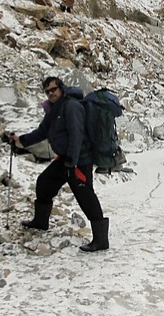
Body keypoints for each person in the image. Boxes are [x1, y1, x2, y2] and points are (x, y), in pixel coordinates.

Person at [10, 77, 110, 252]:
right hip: (65, 160)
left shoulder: (71, 106)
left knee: (86, 196)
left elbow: (76, 134)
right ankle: (40, 222)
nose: (51, 93)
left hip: (79, 161)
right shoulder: (55, 109)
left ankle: (101, 240)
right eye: (47, 91)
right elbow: (42, 131)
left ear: (61, 88)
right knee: (44, 183)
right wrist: (21, 141)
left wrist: (72, 161)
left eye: (54, 89)